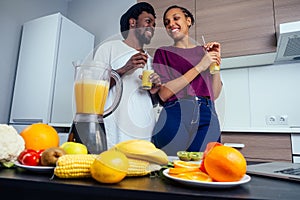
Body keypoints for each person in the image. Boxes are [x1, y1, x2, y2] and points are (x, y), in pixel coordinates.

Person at [151, 5, 223, 155]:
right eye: (167, 22)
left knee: (203, 169)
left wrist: (215, 61)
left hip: (207, 114)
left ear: (188, 21)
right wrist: (200, 66)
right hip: (175, 113)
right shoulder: (163, 53)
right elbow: (163, 94)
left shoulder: (204, 52)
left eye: (176, 18)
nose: (171, 24)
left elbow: (214, 94)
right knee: (169, 166)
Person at [94, 2, 161, 149]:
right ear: (133, 22)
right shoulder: (109, 48)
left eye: (154, 25)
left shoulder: (150, 59)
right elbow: (95, 90)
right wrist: (124, 69)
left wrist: (154, 92)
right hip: (117, 129)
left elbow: (151, 101)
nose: (152, 28)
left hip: (144, 130)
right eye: (148, 21)